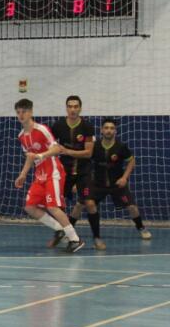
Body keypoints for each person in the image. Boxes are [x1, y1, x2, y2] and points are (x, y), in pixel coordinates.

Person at [12, 99, 85, 253]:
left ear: (31, 112)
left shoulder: (41, 129)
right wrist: (23, 174)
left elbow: (57, 148)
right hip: (40, 176)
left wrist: (41, 155)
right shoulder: (21, 136)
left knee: (52, 206)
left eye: (24, 111)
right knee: (29, 206)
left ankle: (75, 239)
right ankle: (59, 229)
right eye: (18, 112)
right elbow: (30, 156)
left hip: (53, 172)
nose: (21, 115)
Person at [88, 118, 152, 247]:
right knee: (80, 204)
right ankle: (68, 231)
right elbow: (86, 162)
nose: (109, 130)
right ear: (101, 130)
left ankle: (141, 228)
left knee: (132, 207)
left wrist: (124, 178)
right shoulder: (95, 146)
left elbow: (132, 161)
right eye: (106, 128)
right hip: (98, 184)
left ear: (115, 131)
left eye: (111, 128)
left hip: (117, 185)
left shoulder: (121, 146)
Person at [51, 95, 98, 247]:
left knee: (89, 203)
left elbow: (88, 153)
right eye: (70, 106)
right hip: (64, 172)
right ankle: (62, 235)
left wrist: (67, 151)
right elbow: (51, 146)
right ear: (66, 108)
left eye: (75, 106)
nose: (73, 109)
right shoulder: (58, 126)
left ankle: (97, 237)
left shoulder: (87, 126)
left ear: (80, 108)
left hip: (83, 172)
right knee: (57, 206)